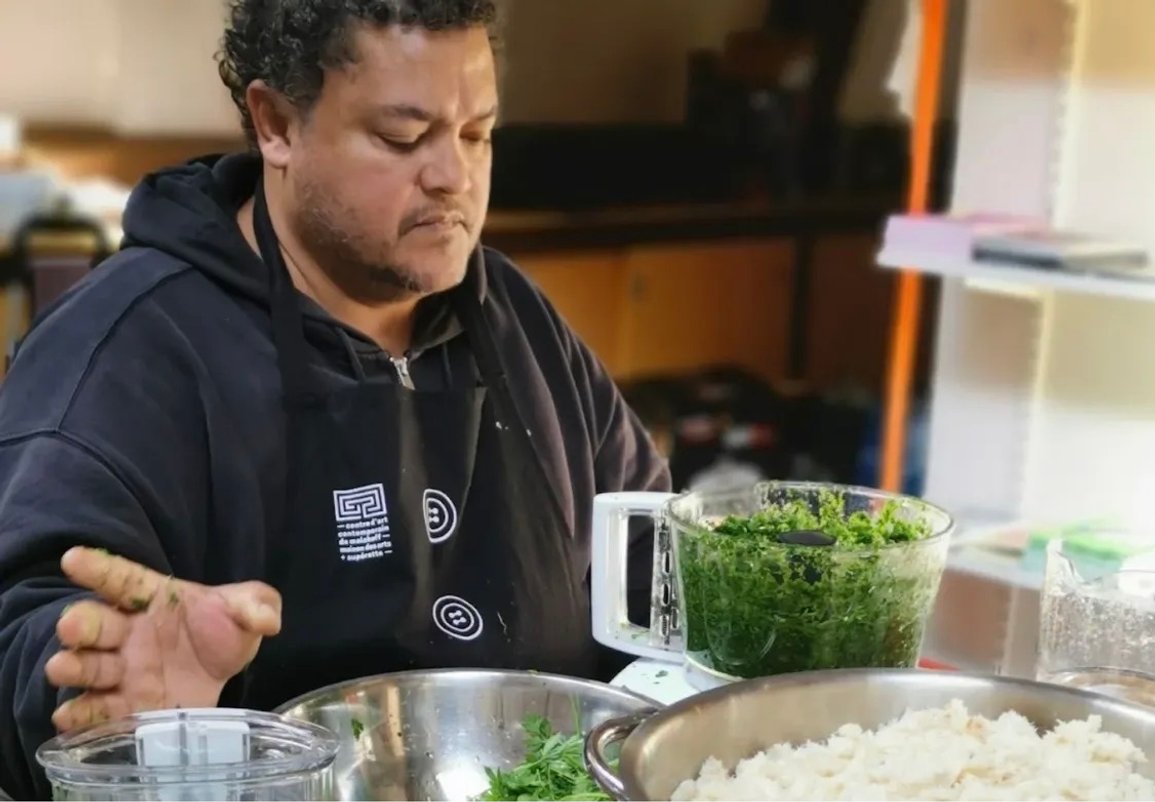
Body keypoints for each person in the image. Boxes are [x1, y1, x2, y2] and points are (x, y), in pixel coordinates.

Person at [0, 1, 669, 797]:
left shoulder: (518, 320)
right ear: (276, 123)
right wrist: (98, 695)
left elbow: (655, 587)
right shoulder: (127, 354)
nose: (453, 176)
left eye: (477, 133)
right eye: (401, 138)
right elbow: (23, 644)